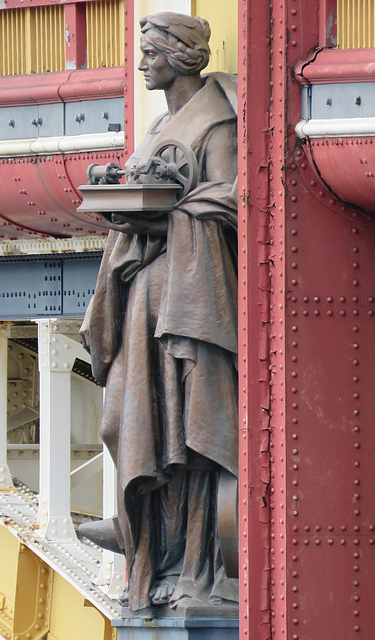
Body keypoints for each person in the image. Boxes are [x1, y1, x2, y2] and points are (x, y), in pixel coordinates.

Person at [80, 12, 238, 612]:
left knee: (186, 431)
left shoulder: (215, 123)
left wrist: (163, 212)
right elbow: (152, 184)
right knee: (138, 415)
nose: (142, 61)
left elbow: (225, 201)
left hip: (188, 298)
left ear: (180, 55)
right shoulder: (160, 124)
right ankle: (148, 541)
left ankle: (189, 561)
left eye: (150, 52)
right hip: (146, 296)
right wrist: (118, 182)